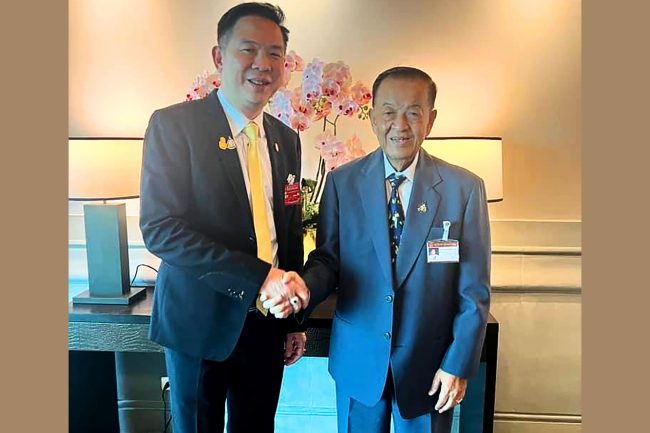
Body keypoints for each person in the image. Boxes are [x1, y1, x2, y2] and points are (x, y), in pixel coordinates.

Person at [139, 3, 310, 433]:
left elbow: (288, 232)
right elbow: (161, 229)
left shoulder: (286, 140)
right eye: (248, 49)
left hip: (266, 324)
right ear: (219, 57)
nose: (263, 64)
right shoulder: (175, 127)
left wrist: (292, 321)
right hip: (198, 322)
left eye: (274, 53)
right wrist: (259, 277)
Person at [298, 66, 491, 433]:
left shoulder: (464, 189)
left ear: (431, 120)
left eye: (413, 113)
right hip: (358, 359)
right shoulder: (341, 183)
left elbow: (474, 292)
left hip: (430, 366)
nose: (400, 125)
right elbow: (327, 260)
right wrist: (301, 290)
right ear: (373, 118)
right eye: (389, 112)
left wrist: (457, 364)